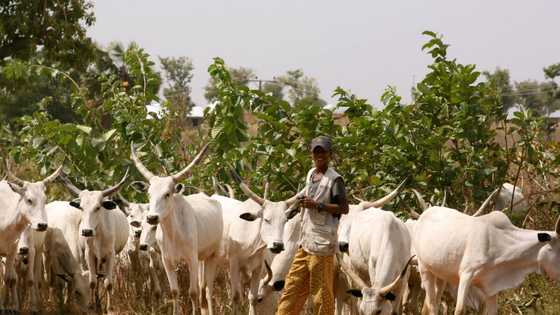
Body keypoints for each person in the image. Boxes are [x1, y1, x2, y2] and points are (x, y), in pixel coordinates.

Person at [276, 135, 349, 315]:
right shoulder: (311, 174)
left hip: (322, 247)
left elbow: (344, 208)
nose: (319, 156)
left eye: (323, 152)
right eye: (316, 152)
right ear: (311, 154)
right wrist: (303, 202)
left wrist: (318, 205)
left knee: (321, 296)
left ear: (330, 154)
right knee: (291, 288)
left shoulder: (335, 180)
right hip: (306, 243)